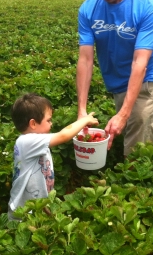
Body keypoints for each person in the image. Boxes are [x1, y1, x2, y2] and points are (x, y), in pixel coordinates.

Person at [76, 0, 153, 157]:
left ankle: (138, 185)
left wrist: (124, 114)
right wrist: (81, 111)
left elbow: (140, 63)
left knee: (136, 148)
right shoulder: (88, 9)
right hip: (117, 79)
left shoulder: (146, 5)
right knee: (139, 128)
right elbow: (85, 59)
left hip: (147, 76)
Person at [8, 93, 99, 221]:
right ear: (33, 123)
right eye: (48, 120)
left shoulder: (32, 141)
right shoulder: (27, 142)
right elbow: (64, 136)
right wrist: (84, 121)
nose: (51, 124)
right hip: (23, 210)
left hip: (37, 205)